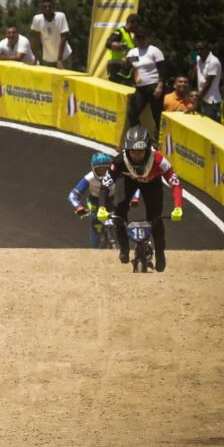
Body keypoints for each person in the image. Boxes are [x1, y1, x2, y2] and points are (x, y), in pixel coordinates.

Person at [98, 126, 184, 272]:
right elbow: (105, 185)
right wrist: (101, 207)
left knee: (156, 217)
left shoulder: (159, 160)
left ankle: (160, 254)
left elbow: (175, 184)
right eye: (133, 152)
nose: (136, 156)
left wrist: (178, 206)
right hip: (128, 181)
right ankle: (124, 248)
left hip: (152, 184)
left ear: (148, 149)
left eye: (140, 152)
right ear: (127, 150)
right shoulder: (119, 161)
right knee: (119, 212)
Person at [68, 152, 117, 248]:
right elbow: (73, 195)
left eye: (105, 169)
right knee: (96, 227)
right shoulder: (89, 178)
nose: (103, 172)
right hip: (94, 204)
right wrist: (79, 207)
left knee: (119, 225)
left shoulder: (116, 175)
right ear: (93, 169)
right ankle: (93, 250)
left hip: (110, 202)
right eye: (100, 170)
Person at [126, 28, 165, 131]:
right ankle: (140, 135)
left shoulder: (154, 51)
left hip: (153, 86)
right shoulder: (132, 52)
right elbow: (132, 67)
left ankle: (157, 140)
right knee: (132, 112)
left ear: (147, 39)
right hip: (140, 88)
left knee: (157, 115)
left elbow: (162, 69)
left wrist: (160, 86)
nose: (141, 40)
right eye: (138, 38)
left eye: (143, 38)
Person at [30, 0, 71, 69]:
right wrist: (35, 59)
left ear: (53, 7)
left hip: (63, 57)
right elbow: (37, 40)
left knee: (64, 79)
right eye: (45, 7)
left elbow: (63, 38)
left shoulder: (60, 17)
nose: (47, 9)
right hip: (48, 59)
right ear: (42, 8)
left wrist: (59, 59)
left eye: (49, 6)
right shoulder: (37, 19)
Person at [189, 41, 222, 121]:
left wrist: (197, 101)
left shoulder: (213, 61)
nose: (199, 52)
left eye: (201, 49)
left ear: (207, 49)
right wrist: (193, 64)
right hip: (202, 98)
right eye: (197, 50)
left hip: (211, 101)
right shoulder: (198, 59)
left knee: (211, 125)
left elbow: (207, 84)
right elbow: (191, 77)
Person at [104, 13, 139, 86]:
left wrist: (138, 59)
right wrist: (118, 46)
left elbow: (128, 55)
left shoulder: (130, 37)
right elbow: (108, 44)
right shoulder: (120, 32)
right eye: (137, 25)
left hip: (125, 70)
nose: (137, 27)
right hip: (115, 67)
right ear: (131, 23)